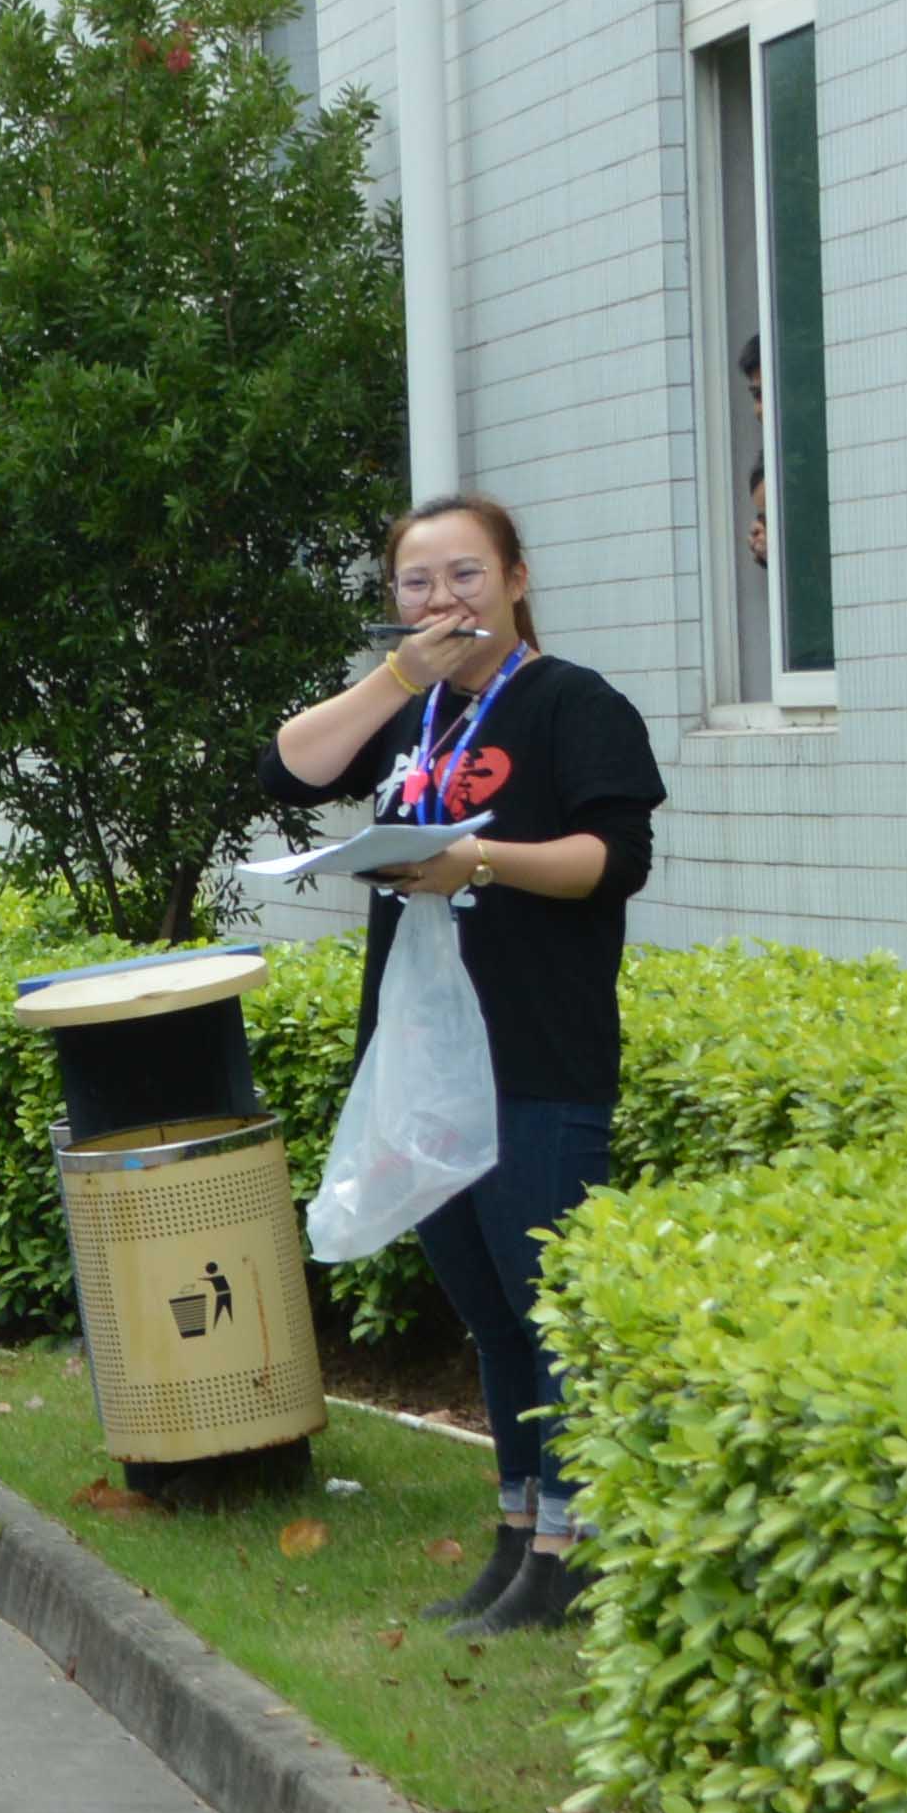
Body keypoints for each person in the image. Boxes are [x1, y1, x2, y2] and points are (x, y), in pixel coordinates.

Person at [265, 492, 666, 1638]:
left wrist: (477, 858)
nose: (442, 602)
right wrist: (397, 680)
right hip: (422, 1063)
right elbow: (289, 771)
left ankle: (571, 1552)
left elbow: (610, 859)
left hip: (536, 1052)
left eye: (466, 577)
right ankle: (515, 1533)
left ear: (519, 577)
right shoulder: (412, 713)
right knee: (490, 1316)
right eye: (416, 583)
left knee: (546, 1312)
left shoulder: (572, 704)